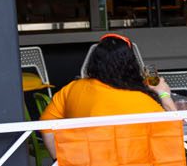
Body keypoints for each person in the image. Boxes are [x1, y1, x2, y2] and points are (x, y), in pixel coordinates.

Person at [36, 34, 171, 124]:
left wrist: (58, 158)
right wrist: (164, 94)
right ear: (131, 65)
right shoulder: (142, 102)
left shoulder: (72, 89)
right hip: (131, 160)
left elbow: (46, 122)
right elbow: (175, 129)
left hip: (86, 159)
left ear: (94, 61)